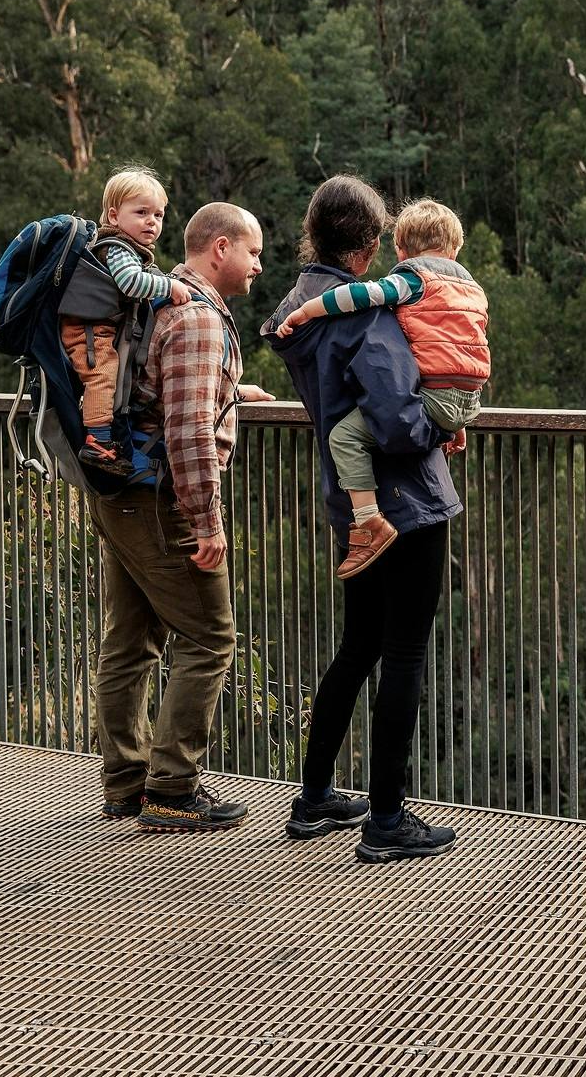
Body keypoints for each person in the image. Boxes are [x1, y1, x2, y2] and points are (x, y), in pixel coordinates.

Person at [262, 174, 463, 863]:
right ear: (370, 246)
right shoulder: (367, 316)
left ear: (312, 234)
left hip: (350, 500)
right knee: (403, 654)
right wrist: (445, 426)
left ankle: (314, 797)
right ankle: (386, 818)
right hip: (408, 502)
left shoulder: (299, 303)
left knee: (357, 647)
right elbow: (401, 424)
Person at [92, 200, 273, 832]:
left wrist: (231, 389)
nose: (258, 265)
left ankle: (124, 784)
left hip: (119, 487)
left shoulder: (155, 302)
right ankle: (171, 787)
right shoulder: (196, 318)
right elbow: (190, 434)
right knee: (209, 638)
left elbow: (170, 391)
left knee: (131, 638)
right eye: (252, 252)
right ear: (219, 249)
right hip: (163, 497)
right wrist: (207, 522)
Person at [274, 197, 489, 578]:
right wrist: (453, 421)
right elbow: (446, 360)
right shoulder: (470, 288)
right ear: (457, 248)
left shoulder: (408, 283)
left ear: (398, 248)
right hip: (461, 403)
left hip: (361, 491)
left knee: (344, 438)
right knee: (407, 637)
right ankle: (371, 521)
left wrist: (309, 310)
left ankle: (368, 519)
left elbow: (360, 295)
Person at [62, 166, 192, 474]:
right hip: (87, 330)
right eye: (142, 212)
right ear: (114, 215)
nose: (151, 221)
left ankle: (105, 438)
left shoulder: (130, 249)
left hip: (97, 327)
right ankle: (98, 443)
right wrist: (170, 286)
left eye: (158, 215)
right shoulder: (118, 248)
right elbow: (131, 284)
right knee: (102, 375)